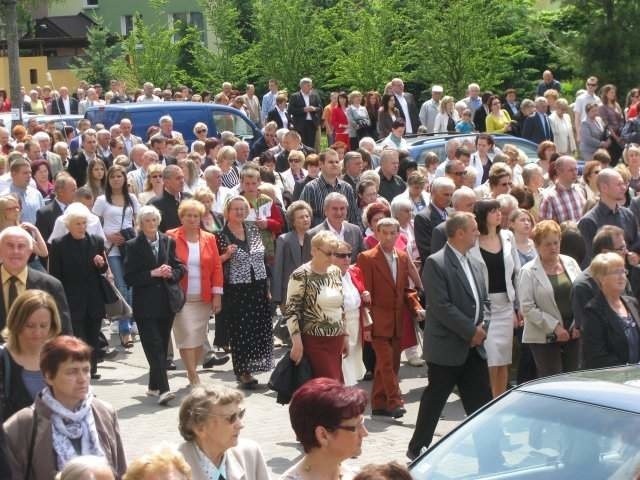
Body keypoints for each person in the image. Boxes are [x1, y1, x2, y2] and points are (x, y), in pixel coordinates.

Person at [408, 212, 492, 459]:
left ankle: (488, 451)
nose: (478, 233)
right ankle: (417, 447)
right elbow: (441, 306)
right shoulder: (437, 262)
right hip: (448, 348)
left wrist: (483, 327)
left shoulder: (475, 262)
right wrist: (470, 331)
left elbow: (485, 300)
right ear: (459, 233)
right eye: (474, 229)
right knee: (436, 399)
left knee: (481, 402)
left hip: (474, 348)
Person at [4, 336, 126, 478]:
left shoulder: (104, 412)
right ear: (49, 376)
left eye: (86, 370)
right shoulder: (23, 424)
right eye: (72, 372)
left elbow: (122, 472)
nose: (82, 379)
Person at [357, 218, 423, 417]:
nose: (388, 237)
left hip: (397, 320)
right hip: (377, 320)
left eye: (392, 233)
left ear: (398, 235)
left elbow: (405, 289)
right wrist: (367, 324)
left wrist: (416, 306)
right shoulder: (367, 257)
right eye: (383, 232)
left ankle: (378, 404)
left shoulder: (402, 257)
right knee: (385, 363)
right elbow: (364, 289)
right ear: (376, 234)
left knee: (390, 365)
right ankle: (395, 401)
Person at [124, 205, 186, 406]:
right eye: (147, 221)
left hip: (166, 303)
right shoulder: (133, 245)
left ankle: (153, 386)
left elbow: (180, 267)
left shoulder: (168, 241)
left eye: (154, 220)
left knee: (161, 341)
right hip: (145, 305)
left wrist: (171, 273)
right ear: (140, 224)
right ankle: (164, 390)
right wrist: (153, 273)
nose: (151, 224)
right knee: (155, 347)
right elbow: (129, 277)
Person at [216, 196, 273, 388]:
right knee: (240, 330)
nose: (240, 212)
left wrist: (267, 286)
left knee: (258, 327)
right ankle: (242, 371)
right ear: (228, 211)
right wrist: (226, 255)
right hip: (236, 289)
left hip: (257, 285)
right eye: (235, 209)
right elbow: (213, 263)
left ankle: (254, 366)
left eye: (243, 208)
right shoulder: (221, 235)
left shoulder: (253, 229)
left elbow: (262, 259)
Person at [166, 200, 224, 386]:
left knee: (198, 337)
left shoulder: (209, 238)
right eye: (188, 215)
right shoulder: (170, 237)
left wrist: (217, 295)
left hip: (204, 296)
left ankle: (193, 370)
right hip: (181, 297)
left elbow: (216, 266)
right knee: (187, 335)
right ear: (181, 217)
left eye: (195, 216)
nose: (192, 219)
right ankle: (192, 374)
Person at [48, 207, 108, 379]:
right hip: (71, 296)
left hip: (93, 296)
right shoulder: (59, 244)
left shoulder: (96, 241)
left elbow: (103, 268)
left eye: (84, 223)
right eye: (77, 224)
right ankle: (77, 367)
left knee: (93, 334)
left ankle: (92, 368)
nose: (81, 227)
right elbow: (55, 274)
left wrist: (101, 263)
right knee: (77, 335)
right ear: (69, 225)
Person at [469, 200, 520, 398]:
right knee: (490, 359)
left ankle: (499, 399)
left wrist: (517, 306)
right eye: (493, 211)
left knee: (504, 360)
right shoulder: (473, 240)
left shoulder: (507, 236)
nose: (499, 214)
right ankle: (488, 402)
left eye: (499, 210)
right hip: (484, 307)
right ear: (482, 216)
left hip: (506, 305)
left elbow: (516, 272)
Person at [517, 220, 581, 377]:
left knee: (575, 380)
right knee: (553, 381)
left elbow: (582, 295)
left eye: (556, 242)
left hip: (573, 332)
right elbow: (527, 307)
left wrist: (578, 324)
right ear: (537, 246)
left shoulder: (570, 263)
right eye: (547, 244)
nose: (553, 248)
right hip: (543, 337)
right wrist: (555, 327)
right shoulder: (528, 271)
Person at [285, 231, 345, 381]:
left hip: (336, 339)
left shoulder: (335, 272)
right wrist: (296, 342)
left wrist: (345, 335)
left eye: (335, 254)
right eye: (328, 253)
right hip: (315, 340)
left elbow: (340, 306)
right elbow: (291, 311)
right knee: (328, 388)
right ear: (314, 251)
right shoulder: (301, 275)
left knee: (335, 385)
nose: (332, 258)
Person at [281, 378, 368, 480]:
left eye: (362, 422)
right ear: (323, 435)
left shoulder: (357, 476)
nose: (365, 433)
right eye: (356, 426)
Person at [177, 384, 269, 480]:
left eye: (240, 414)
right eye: (231, 418)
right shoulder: (170, 468)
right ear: (200, 428)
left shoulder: (250, 453)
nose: (240, 425)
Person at [93, 165, 140, 348]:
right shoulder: (102, 200)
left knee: (131, 286)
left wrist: (130, 235)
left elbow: (137, 222)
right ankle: (124, 328)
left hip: (129, 247)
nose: (116, 179)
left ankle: (129, 321)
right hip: (111, 248)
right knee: (121, 286)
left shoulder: (132, 198)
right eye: (112, 176)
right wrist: (107, 237)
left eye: (119, 176)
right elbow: (93, 225)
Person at [0, 290, 61, 421]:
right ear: (16, 323)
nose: (37, 332)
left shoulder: (60, 358)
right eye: (30, 325)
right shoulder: (3, 359)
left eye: (44, 326)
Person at [0, 226, 72, 334]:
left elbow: (63, 332)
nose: (15, 251)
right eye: (10, 246)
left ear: (30, 252)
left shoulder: (51, 286)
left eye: (21, 246)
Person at [581, 252, 640, 369]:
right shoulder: (593, 311)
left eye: (623, 271)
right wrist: (628, 370)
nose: (622, 276)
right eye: (616, 272)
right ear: (601, 278)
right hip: (613, 379)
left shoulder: (632, 303)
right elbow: (596, 356)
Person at [578, 168, 639, 268]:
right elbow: (590, 261)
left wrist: (636, 255)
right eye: (618, 184)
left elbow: (636, 243)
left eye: (624, 184)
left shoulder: (628, 215)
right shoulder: (588, 222)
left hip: (630, 278)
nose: (624, 187)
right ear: (604, 188)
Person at [332, 240, 369, 386]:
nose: (347, 259)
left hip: (357, 322)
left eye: (348, 255)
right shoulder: (328, 276)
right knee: (342, 361)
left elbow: (362, 298)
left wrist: (365, 295)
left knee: (354, 360)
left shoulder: (355, 271)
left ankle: (349, 394)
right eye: (341, 255)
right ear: (331, 256)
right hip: (341, 324)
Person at [271, 201, 313, 306]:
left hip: (312, 292)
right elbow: (278, 269)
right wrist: (277, 297)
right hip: (290, 293)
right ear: (293, 222)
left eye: (307, 216)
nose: (305, 219)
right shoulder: (284, 240)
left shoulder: (316, 238)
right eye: (301, 217)